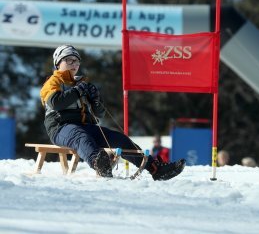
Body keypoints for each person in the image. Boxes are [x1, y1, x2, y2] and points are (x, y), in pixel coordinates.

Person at [40, 45, 185, 181]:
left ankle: (155, 168)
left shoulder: (81, 84)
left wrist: (96, 100)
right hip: (61, 128)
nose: (74, 64)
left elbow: (99, 114)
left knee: (120, 139)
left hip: (85, 126)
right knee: (81, 137)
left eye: (77, 61)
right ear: (58, 63)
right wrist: (78, 91)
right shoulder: (53, 82)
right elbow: (56, 103)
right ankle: (100, 162)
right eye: (69, 60)